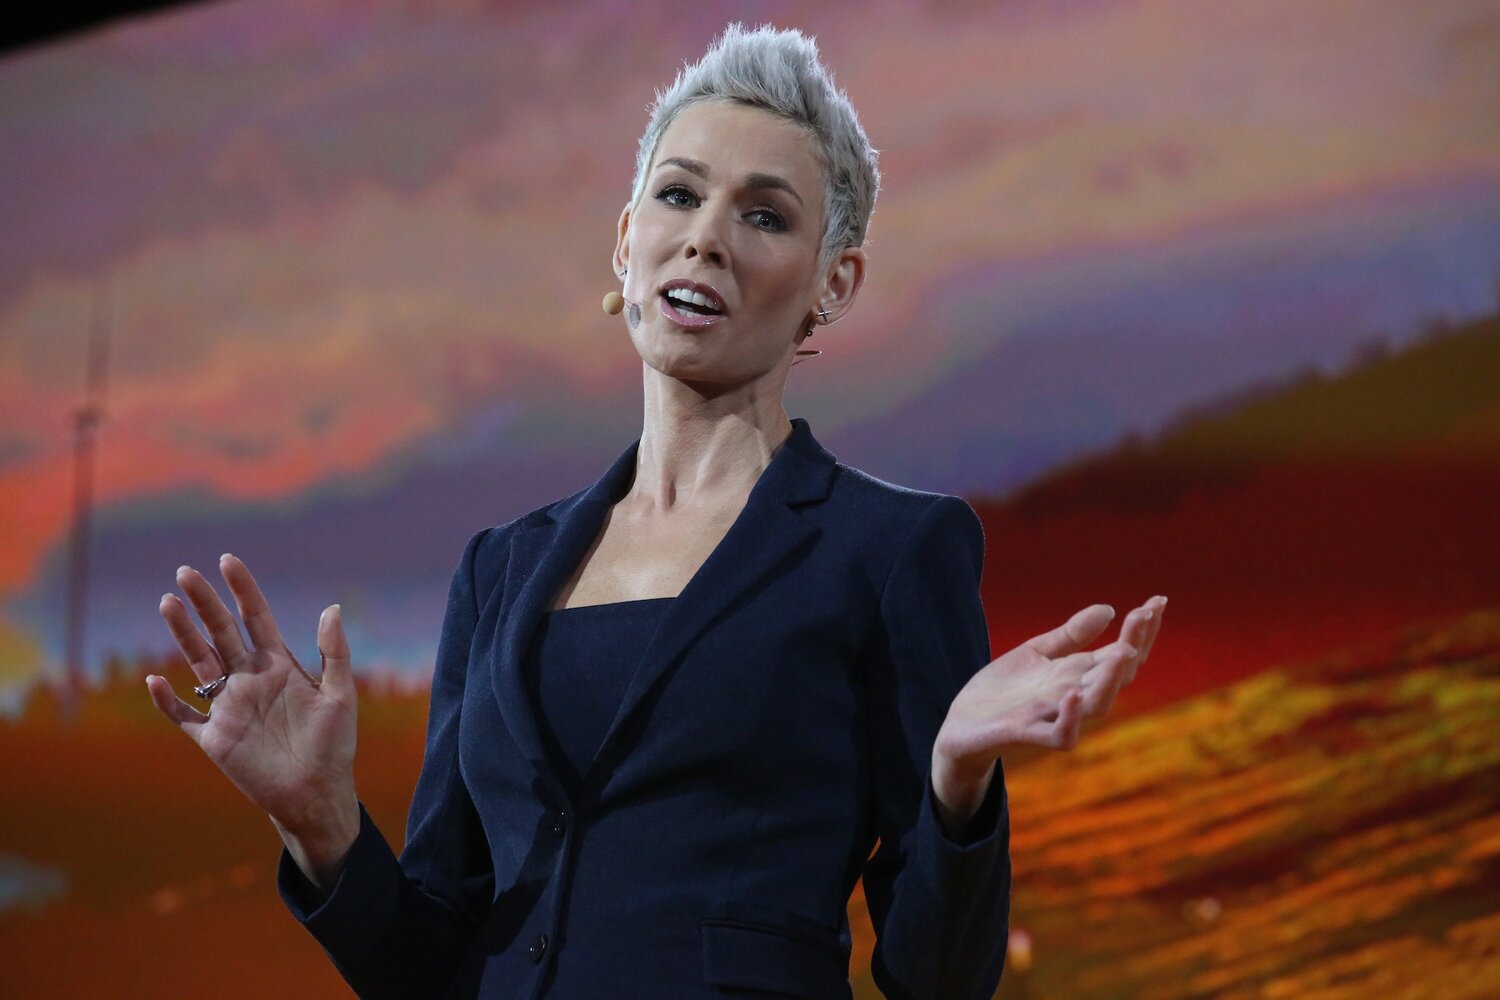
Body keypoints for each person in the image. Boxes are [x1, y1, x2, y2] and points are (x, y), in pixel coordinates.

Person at [147, 23, 1166, 1000]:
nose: (708, 239)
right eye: (679, 196)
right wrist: (324, 826)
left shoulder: (894, 552)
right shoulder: (498, 568)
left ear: (833, 284)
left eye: (765, 215)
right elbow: (434, 965)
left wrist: (956, 785)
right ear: (628, 244)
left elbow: (937, 979)